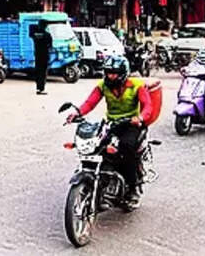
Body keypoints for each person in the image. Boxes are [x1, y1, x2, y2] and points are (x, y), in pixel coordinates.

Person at [65, 57, 153, 209]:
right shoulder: (103, 86)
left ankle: (133, 189)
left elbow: (148, 106)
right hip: (112, 124)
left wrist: (139, 117)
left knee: (126, 148)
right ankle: (102, 183)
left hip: (131, 124)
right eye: (108, 73)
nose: (110, 76)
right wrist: (77, 112)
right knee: (100, 148)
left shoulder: (137, 85)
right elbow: (90, 103)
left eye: (114, 73)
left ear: (123, 74)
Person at [31, 20, 53, 95]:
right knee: (43, 72)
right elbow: (50, 45)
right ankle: (42, 89)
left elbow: (31, 32)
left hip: (37, 55)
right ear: (45, 26)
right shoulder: (47, 35)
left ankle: (38, 87)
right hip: (45, 55)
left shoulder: (35, 35)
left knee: (38, 71)